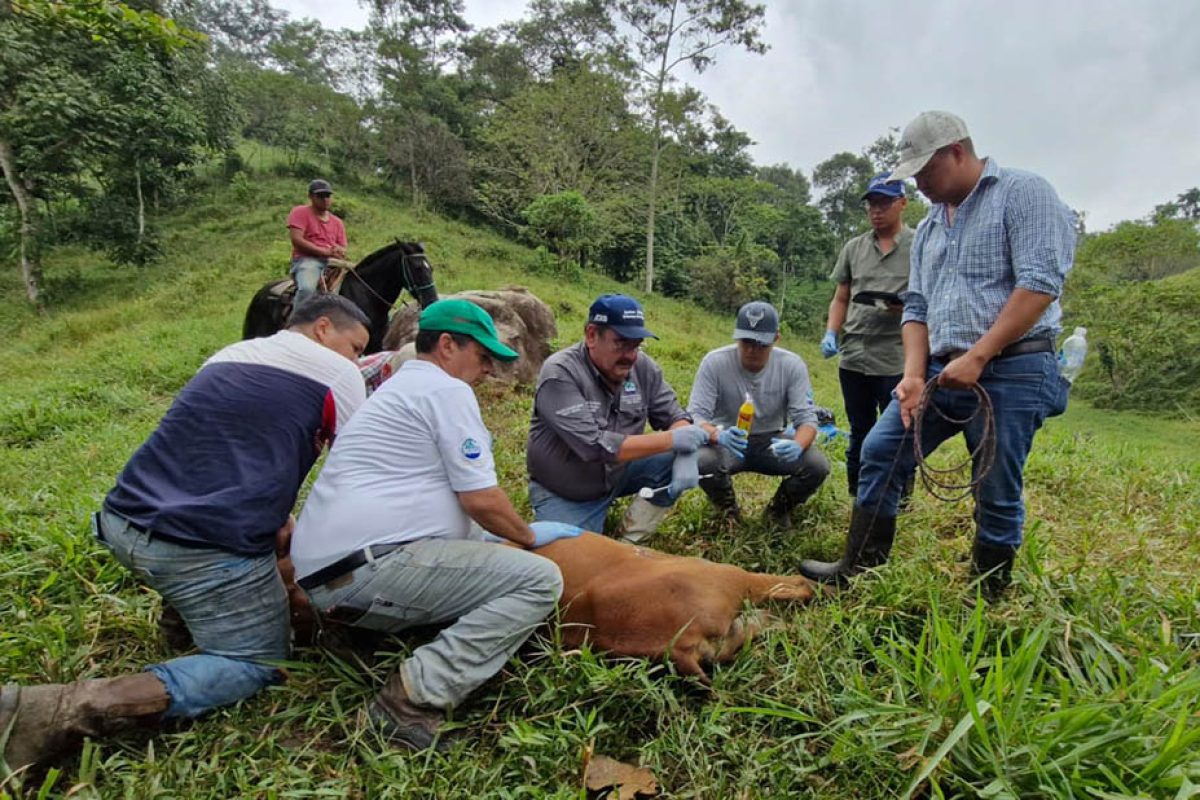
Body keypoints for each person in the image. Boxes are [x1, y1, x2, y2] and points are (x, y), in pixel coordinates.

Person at [0, 295, 370, 772]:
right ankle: (53, 712)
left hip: (123, 520)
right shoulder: (339, 375)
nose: (357, 360)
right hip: (199, 549)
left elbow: (224, 445)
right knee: (258, 661)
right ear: (323, 328)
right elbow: (358, 469)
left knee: (262, 537)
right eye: (356, 347)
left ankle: (181, 620)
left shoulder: (230, 354)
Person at [800, 111, 1074, 597]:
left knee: (995, 482)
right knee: (881, 450)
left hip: (1012, 368)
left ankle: (988, 593)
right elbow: (917, 307)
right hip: (938, 370)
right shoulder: (930, 228)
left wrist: (980, 356)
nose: (920, 184)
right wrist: (911, 375)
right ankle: (860, 568)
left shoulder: (1023, 193)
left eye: (926, 171)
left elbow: (1039, 284)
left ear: (957, 152)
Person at [290, 299, 578, 752]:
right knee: (539, 580)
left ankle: (358, 635)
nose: (489, 370)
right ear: (446, 345)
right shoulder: (446, 391)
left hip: (327, 571)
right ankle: (410, 700)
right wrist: (525, 535)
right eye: (482, 356)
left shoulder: (396, 390)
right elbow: (480, 499)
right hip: (369, 568)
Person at [526, 294, 709, 543]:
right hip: (567, 492)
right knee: (574, 558)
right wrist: (674, 439)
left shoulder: (642, 368)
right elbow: (594, 446)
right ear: (592, 335)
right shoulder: (561, 373)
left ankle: (631, 539)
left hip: (619, 474)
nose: (630, 355)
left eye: (636, 345)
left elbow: (674, 415)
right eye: (621, 343)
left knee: (685, 454)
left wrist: (685, 448)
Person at [690, 301, 830, 527]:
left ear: (776, 338)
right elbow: (696, 415)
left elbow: (806, 419)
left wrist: (798, 444)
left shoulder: (791, 365)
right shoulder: (715, 362)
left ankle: (778, 510)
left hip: (771, 440)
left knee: (816, 465)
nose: (752, 350)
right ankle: (728, 511)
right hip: (727, 440)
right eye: (746, 342)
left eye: (761, 344)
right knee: (702, 461)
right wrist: (717, 435)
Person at [821, 172, 914, 499]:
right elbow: (841, 297)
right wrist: (831, 332)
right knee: (860, 430)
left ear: (902, 203)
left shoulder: (919, 245)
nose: (876, 211)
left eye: (884, 203)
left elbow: (932, 297)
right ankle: (857, 496)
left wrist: (905, 308)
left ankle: (900, 499)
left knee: (899, 432)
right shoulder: (854, 248)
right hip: (855, 356)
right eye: (871, 204)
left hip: (897, 358)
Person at [287, 178, 348, 305]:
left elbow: (342, 246)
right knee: (307, 289)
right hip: (307, 260)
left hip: (334, 263)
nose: (325, 199)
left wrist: (339, 251)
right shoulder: (300, 212)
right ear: (310, 196)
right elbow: (297, 240)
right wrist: (324, 252)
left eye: (327, 195)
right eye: (320, 196)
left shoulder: (337, 222)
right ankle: (299, 317)